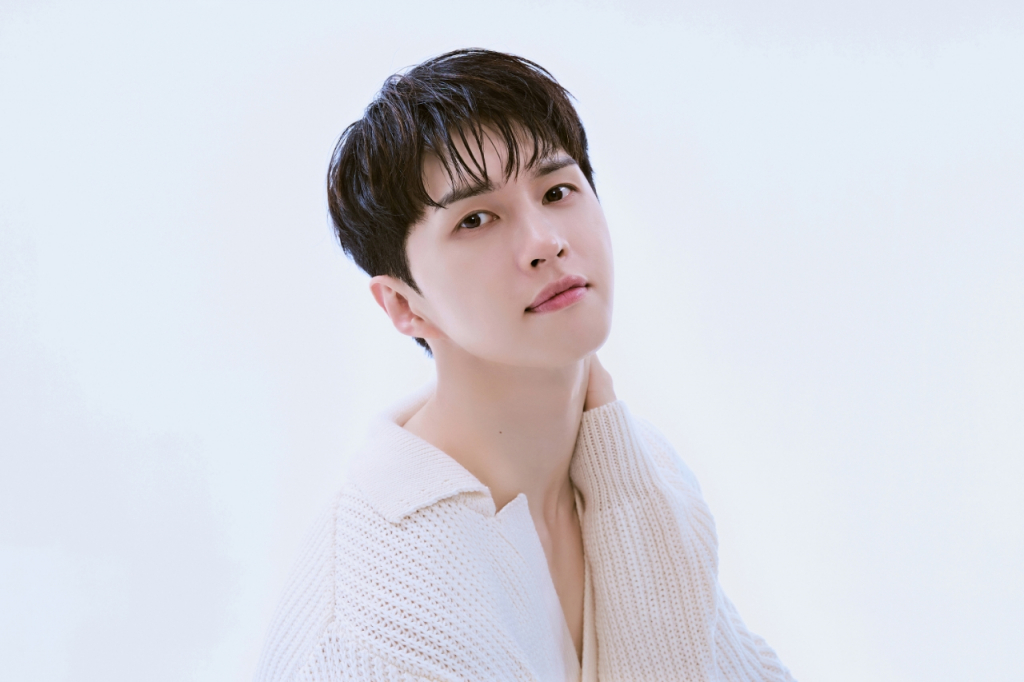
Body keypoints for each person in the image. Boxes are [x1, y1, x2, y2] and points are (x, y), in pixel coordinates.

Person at [254, 48, 794, 682]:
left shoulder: (642, 476)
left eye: (557, 191)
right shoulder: (372, 627)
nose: (545, 242)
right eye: (476, 219)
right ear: (403, 304)